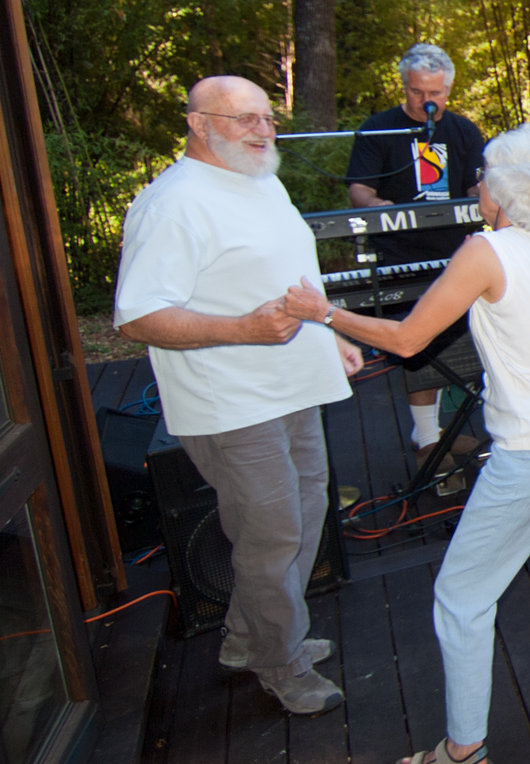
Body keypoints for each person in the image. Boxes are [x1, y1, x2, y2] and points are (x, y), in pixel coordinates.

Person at [285, 127, 530, 764]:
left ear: (504, 191)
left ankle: (463, 754)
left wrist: (327, 314)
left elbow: (406, 340)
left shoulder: (484, 251)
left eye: (483, 176)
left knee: (461, 595)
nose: (475, 186)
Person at [115, 76, 361, 715]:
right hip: (231, 403)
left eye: (267, 118)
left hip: (293, 385)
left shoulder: (260, 179)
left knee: (305, 518)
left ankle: (247, 638)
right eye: (243, 119)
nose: (262, 131)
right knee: (272, 534)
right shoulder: (171, 205)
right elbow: (138, 317)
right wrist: (242, 330)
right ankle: (281, 662)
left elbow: (288, 272)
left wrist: (326, 335)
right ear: (198, 124)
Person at [344, 43, 488, 456]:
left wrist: (487, 192)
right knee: (419, 342)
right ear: (403, 87)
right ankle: (426, 437)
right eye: (418, 92)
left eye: (436, 93)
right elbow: (360, 187)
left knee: (459, 342)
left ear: (449, 90)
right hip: (401, 255)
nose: (428, 101)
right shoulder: (378, 128)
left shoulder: (463, 130)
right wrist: (373, 205)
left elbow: (473, 184)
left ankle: (443, 429)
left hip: (458, 252)